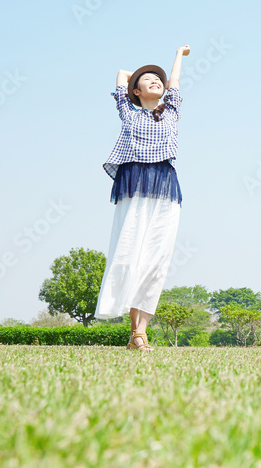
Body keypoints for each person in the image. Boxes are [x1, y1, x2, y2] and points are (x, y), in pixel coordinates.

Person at [95, 45, 190, 351]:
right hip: (134, 183)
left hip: (164, 184)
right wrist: (137, 76)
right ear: (135, 91)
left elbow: (174, 83)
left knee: (157, 258)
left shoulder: (171, 110)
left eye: (158, 80)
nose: (155, 81)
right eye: (147, 80)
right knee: (129, 253)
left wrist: (178, 55)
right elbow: (122, 75)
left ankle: (140, 333)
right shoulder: (127, 110)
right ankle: (136, 332)